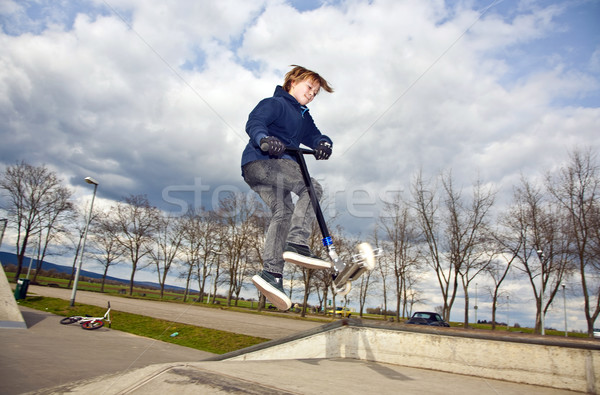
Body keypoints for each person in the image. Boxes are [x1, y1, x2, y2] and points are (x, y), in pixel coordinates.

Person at [241, 65, 334, 311]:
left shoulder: (303, 116)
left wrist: (323, 143)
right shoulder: (276, 103)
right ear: (292, 82)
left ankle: (271, 274)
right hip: (264, 162)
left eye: (316, 93)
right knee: (312, 188)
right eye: (309, 87)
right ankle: (297, 241)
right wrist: (264, 139)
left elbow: (315, 135)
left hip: (259, 172)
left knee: (283, 212)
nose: (312, 94)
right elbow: (255, 122)